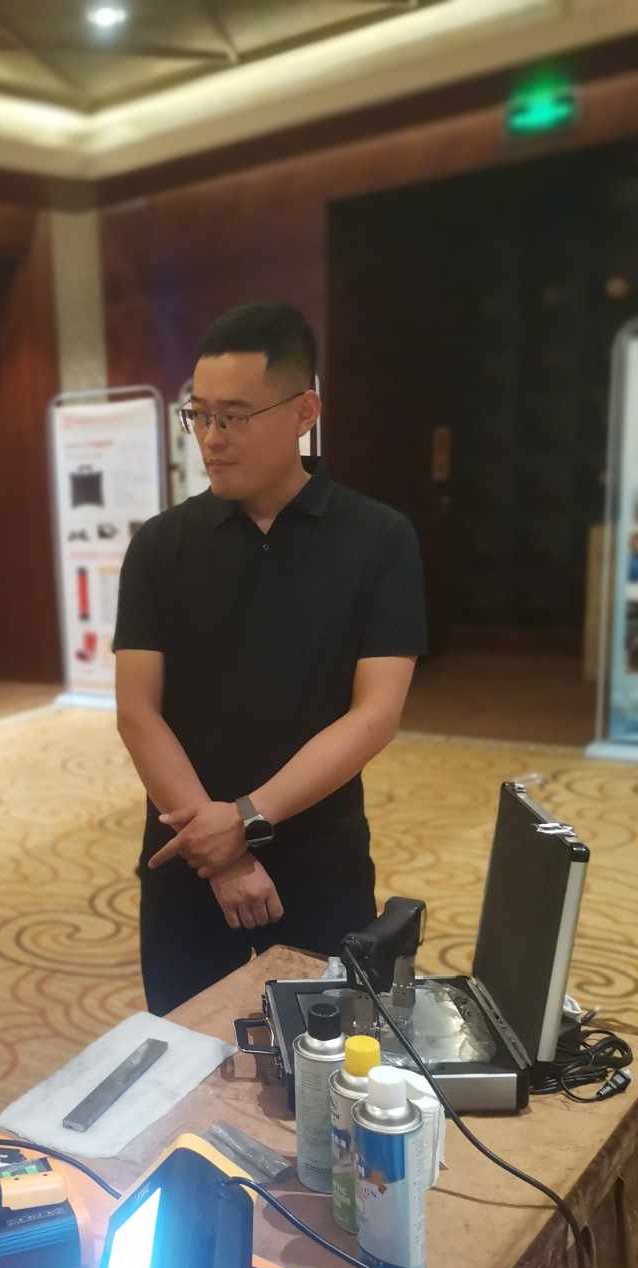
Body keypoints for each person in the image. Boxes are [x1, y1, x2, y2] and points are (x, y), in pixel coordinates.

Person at [114, 303, 426, 1015]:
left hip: (319, 860)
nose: (212, 439)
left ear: (303, 412)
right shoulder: (161, 545)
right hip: (187, 859)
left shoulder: (378, 539)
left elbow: (375, 715)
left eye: (235, 417)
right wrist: (220, 849)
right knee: (187, 1055)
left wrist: (247, 821)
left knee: (325, 1057)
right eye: (200, 415)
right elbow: (137, 712)